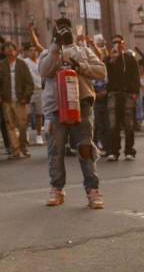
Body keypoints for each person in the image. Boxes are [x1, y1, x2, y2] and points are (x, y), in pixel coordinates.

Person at [39, 18, 106, 210]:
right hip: (56, 108)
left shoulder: (84, 51)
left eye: (66, 28)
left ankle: (92, 190)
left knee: (85, 147)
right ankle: (56, 189)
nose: (63, 31)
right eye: (59, 29)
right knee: (55, 150)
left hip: (81, 105)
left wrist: (80, 66)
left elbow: (101, 71)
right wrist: (55, 47)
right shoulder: (47, 52)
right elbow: (44, 71)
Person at [103, 34, 140, 160]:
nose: (117, 44)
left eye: (119, 42)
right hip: (113, 93)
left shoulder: (129, 58)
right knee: (113, 124)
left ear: (123, 44)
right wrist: (112, 59)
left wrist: (135, 92)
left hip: (127, 93)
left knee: (128, 124)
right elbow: (104, 73)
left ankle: (129, 150)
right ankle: (114, 151)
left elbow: (136, 76)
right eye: (114, 42)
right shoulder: (108, 59)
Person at [0, 40, 34, 159]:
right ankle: (15, 150)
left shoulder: (22, 64)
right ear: (4, 52)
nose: (9, 52)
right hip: (6, 100)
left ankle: (23, 147)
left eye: (11, 49)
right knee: (10, 126)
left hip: (19, 100)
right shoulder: (1, 65)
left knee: (22, 125)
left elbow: (29, 83)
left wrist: (26, 97)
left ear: (16, 51)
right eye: (7, 49)